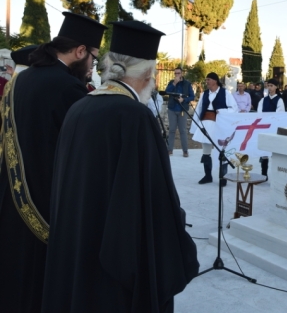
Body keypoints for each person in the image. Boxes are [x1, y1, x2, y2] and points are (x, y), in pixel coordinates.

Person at [42, 20, 199, 313]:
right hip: (112, 267)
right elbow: (154, 202)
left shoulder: (80, 106)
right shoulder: (135, 117)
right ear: (149, 75)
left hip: (76, 245)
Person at [0, 12, 106, 312]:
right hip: (46, 204)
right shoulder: (69, 89)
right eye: (93, 60)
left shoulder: (20, 80)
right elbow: (81, 155)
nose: (91, 68)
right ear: (80, 51)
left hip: (11, 197)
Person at [191, 72, 238, 184]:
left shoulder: (225, 92)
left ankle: (223, 178)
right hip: (206, 123)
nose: (207, 82)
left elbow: (234, 108)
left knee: (222, 150)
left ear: (215, 81)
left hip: (219, 124)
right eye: (206, 80)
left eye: (208, 80)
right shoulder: (204, 94)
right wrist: (195, 125)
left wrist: (223, 111)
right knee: (206, 151)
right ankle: (208, 176)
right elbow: (199, 109)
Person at [257, 78, 285, 180]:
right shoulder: (263, 100)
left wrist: (270, 119)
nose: (270, 88)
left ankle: (276, 176)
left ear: (276, 87)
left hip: (274, 130)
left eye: (272, 86)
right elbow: (259, 114)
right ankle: (264, 174)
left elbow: (279, 115)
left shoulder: (279, 100)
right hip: (264, 129)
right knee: (264, 153)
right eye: (268, 86)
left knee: (274, 153)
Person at [165, 67, 195, 157]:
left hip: (182, 109)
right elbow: (167, 91)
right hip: (172, 109)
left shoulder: (187, 84)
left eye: (178, 73)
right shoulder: (171, 83)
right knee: (172, 130)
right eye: (175, 73)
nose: (177, 75)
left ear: (182, 74)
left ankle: (185, 151)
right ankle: (169, 149)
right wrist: (174, 83)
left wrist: (184, 100)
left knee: (183, 130)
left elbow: (192, 96)